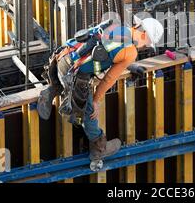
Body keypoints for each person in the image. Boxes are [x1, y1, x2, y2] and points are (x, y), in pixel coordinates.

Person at [37, 17, 164, 162]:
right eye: (147, 44)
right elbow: (109, 79)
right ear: (144, 35)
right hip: (75, 75)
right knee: (89, 112)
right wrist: (96, 100)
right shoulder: (131, 53)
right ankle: (99, 148)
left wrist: (128, 65)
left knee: (68, 81)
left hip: (61, 59)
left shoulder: (117, 26)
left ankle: (49, 92)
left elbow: (104, 46)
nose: (144, 47)